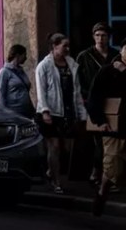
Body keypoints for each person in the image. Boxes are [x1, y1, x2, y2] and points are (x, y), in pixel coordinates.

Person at [36, 32, 87, 193]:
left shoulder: (71, 65)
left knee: (67, 147)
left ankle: (51, 170)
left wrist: (82, 113)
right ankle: (56, 181)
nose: (67, 48)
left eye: (68, 45)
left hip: (68, 111)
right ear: (54, 46)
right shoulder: (44, 66)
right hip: (51, 112)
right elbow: (41, 91)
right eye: (64, 45)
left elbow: (76, 91)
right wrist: (45, 111)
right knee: (54, 146)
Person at [88, 44, 126, 216]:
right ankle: (102, 192)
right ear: (122, 50)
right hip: (114, 128)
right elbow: (94, 96)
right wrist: (100, 121)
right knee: (112, 168)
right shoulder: (107, 71)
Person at [78, 23, 116, 185]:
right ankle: (96, 171)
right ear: (93, 37)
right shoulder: (85, 56)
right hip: (91, 101)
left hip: (113, 101)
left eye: (104, 35)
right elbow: (78, 80)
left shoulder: (115, 55)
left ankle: (108, 174)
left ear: (108, 37)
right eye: (98, 35)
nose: (101, 38)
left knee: (111, 138)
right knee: (98, 138)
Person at [0, 44, 34, 118]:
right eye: (24, 55)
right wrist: (4, 113)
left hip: (26, 111)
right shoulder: (4, 72)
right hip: (13, 111)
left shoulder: (21, 71)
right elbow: (1, 94)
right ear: (18, 55)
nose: (26, 58)